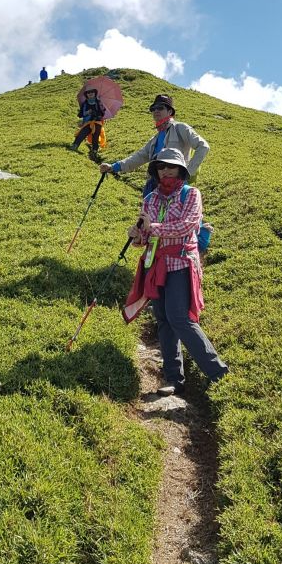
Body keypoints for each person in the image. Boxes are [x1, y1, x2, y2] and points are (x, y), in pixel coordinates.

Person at [122, 148, 228, 396]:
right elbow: (146, 238)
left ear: (181, 169)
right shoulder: (150, 199)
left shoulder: (191, 194)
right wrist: (137, 236)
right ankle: (173, 378)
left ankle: (218, 372)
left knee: (179, 318)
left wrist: (153, 227)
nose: (165, 171)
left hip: (180, 263)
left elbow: (187, 225)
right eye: (160, 167)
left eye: (170, 166)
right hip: (156, 265)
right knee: (163, 320)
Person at [99, 94, 209, 195]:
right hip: (154, 184)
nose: (156, 111)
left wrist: (187, 174)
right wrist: (113, 167)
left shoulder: (180, 128)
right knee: (150, 215)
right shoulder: (155, 139)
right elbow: (139, 157)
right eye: (153, 109)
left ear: (170, 112)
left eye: (160, 108)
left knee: (173, 215)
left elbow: (203, 146)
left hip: (175, 184)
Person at [70, 88, 106, 156]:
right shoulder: (85, 103)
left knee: (95, 136)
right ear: (86, 94)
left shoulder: (98, 102)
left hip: (97, 122)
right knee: (82, 133)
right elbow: (81, 114)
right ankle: (75, 145)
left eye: (92, 92)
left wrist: (96, 113)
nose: (90, 93)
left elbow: (102, 112)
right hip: (87, 122)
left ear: (95, 93)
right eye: (88, 92)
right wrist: (88, 112)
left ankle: (95, 150)